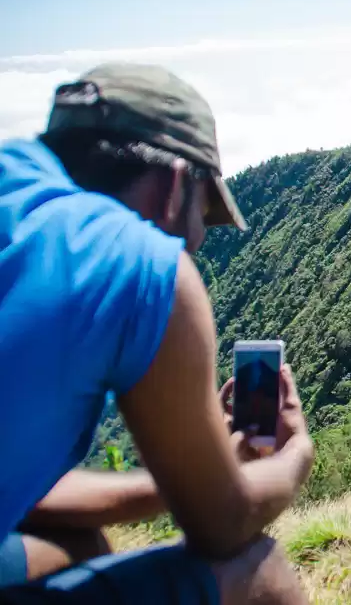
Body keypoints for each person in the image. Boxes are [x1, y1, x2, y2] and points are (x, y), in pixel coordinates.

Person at [0, 63, 315, 604]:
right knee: (260, 572)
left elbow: (30, 496)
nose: (195, 241)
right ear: (175, 185)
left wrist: (188, 476)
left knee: (70, 544)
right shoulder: (142, 265)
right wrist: (295, 460)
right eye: (204, 214)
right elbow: (224, 524)